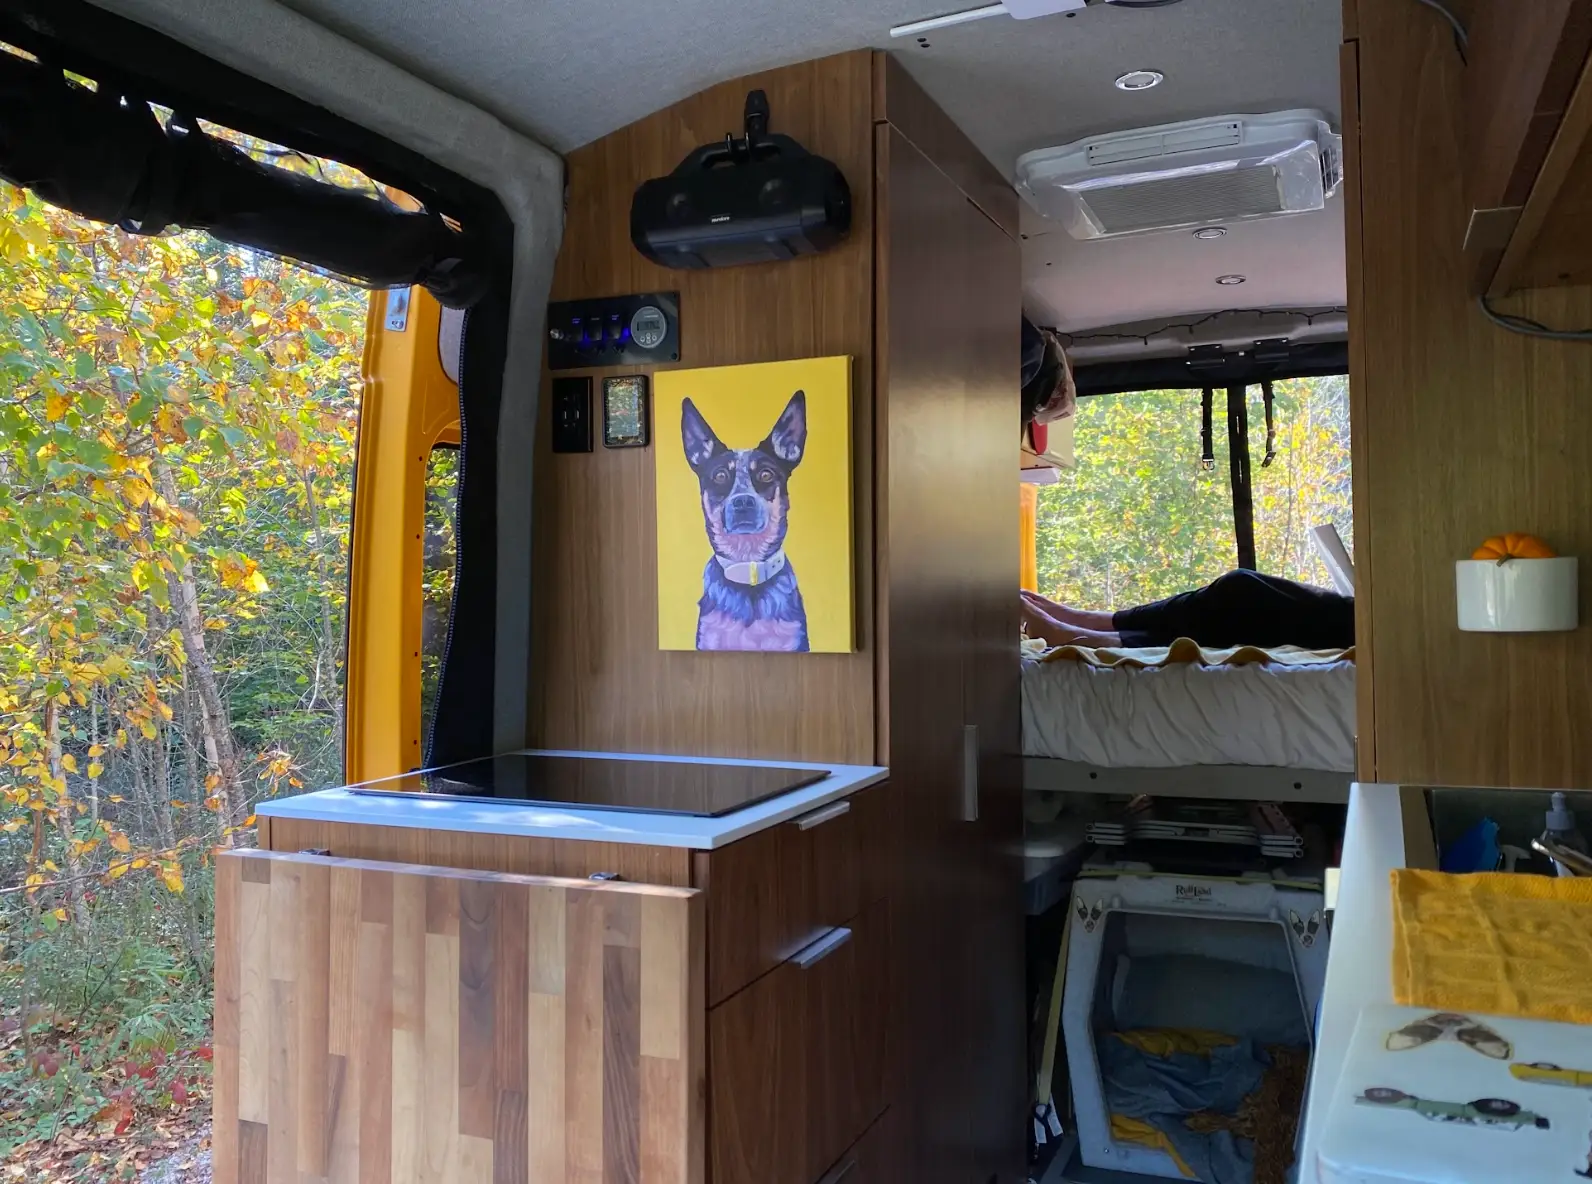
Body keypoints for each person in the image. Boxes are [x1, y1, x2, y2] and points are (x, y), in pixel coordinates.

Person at [1021, 569, 1355, 651]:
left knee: (1241, 593)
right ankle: (1087, 622)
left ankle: (1082, 633)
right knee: (1238, 588)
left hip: (1361, 632)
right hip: (1360, 619)